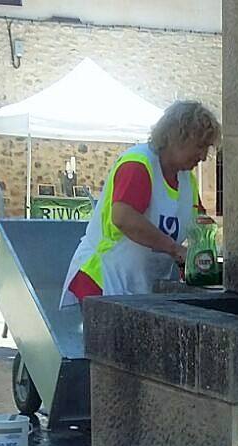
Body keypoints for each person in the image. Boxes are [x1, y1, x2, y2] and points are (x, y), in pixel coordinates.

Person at [59, 100, 219, 307]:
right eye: (199, 146)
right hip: (104, 278)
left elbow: (199, 225)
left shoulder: (187, 179)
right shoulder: (138, 164)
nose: (204, 156)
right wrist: (174, 249)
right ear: (176, 137)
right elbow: (124, 218)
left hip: (140, 286)